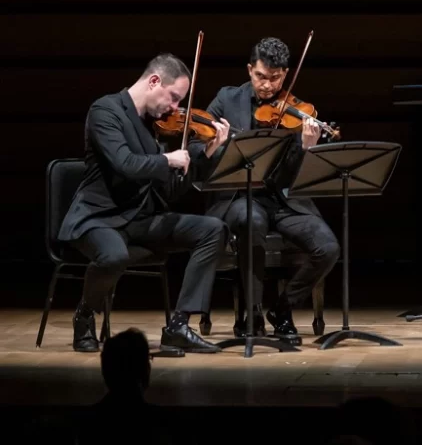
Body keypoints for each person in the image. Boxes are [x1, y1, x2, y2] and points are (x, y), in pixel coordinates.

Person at [58, 53, 230, 353]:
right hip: (98, 218)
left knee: (213, 229)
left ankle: (178, 325)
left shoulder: (153, 127)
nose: (175, 108)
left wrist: (205, 154)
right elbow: (125, 164)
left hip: (139, 220)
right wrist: (167, 159)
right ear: (154, 81)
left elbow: (172, 191)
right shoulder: (105, 110)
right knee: (114, 256)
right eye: (174, 98)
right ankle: (84, 315)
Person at [189, 37, 340, 343]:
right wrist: (215, 146)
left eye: (275, 78)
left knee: (327, 247)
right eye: (261, 76)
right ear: (249, 70)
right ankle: (252, 312)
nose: (268, 86)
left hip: (281, 200)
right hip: (238, 196)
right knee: (252, 222)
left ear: (285, 73)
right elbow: (194, 144)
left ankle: (282, 310)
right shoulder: (227, 99)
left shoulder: (296, 111)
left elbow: (295, 175)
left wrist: (307, 148)